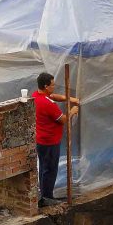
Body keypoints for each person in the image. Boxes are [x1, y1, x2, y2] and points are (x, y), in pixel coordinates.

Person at [33, 72, 79, 207]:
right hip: (50, 141)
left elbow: (53, 96)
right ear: (46, 86)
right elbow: (63, 119)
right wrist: (73, 110)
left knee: (43, 167)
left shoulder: (37, 96)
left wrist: (69, 99)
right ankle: (47, 197)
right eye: (52, 85)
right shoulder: (48, 105)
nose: (54, 87)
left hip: (41, 139)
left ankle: (43, 194)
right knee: (50, 169)